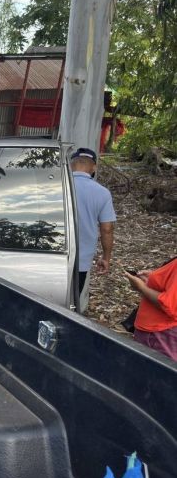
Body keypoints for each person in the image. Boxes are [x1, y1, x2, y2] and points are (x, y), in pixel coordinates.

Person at [71, 147, 115, 298]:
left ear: (71, 164)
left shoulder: (56, 187)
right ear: (94, 167)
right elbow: (107, 229)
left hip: (51, 254)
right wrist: (106, 258)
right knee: (72, 301)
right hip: (80, 259)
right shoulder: (102, 192)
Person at [125, 258, 177, 361]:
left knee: (153, 371)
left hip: (158, 334)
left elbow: (169, 304)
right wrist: (156, 278)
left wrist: (142, 288)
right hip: (161, 332)